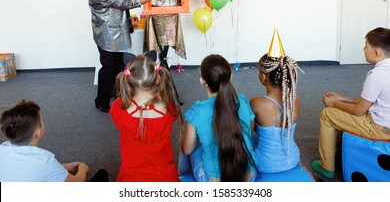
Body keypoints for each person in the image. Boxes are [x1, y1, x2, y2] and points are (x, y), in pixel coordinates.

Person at [89, 0, 167, 112]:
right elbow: (124, 3)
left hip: (116, 31)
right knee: (109, 68)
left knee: (118, 67)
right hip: (107, 33)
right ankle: (102, 101)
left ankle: (118, 95)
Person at [312, 27, 390, 179]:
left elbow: (360, 110)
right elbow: (371, 100)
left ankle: (326, 166)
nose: (363, 48)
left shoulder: (377, 75)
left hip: (380, 129)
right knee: (341, 111)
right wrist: (341, 98)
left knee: (327, 114)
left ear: (377, 53)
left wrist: (333, 103)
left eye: (366, 45)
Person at [180, 54, 257, 182]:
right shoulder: (242, 102)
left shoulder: (197, 111)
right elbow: (250, 129)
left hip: (211, 181)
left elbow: (187, 150)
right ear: (230, 77)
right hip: (248, 178)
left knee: (192, 146)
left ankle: (181, 176)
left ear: (202, 81)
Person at [109, 54, 183, 182]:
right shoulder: (169, 107)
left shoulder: (118, 107)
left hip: (130, 176)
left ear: (127, 79)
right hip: (164, 176)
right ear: (158, 79)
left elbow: (118, 121)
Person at [0, 99, 108, 182]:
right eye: (41, 122)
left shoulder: (2, 148)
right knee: (102, 175)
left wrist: (62, 167)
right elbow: (76, 183)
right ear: (37, 132)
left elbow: (29, 169)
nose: (43, 123)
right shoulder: (44, 161)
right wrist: (83, 168)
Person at [250, 53, 301, 173]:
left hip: (265, 163)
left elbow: (247, 132)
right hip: (292, 159)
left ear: (263, 76)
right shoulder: (295, 101)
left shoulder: (256, 103)